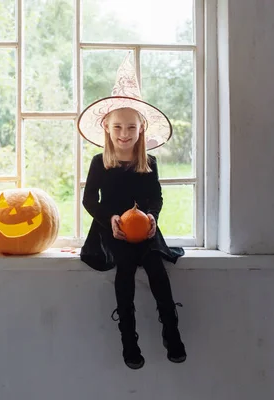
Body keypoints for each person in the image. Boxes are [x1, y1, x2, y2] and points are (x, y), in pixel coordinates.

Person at [77, 53, 187, 370]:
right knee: (124, 268)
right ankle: (129, 338)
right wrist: (109, 219)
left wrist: (152, 217)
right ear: (107, 129)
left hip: (145, 231)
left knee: (155, 266)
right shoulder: (100, 163)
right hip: (111, 231)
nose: (124, 133)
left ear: (141, 129)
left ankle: (171, 330)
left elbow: (156, 197)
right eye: (117, 127)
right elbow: (88, 200)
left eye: (130, 127)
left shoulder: (149, 163)